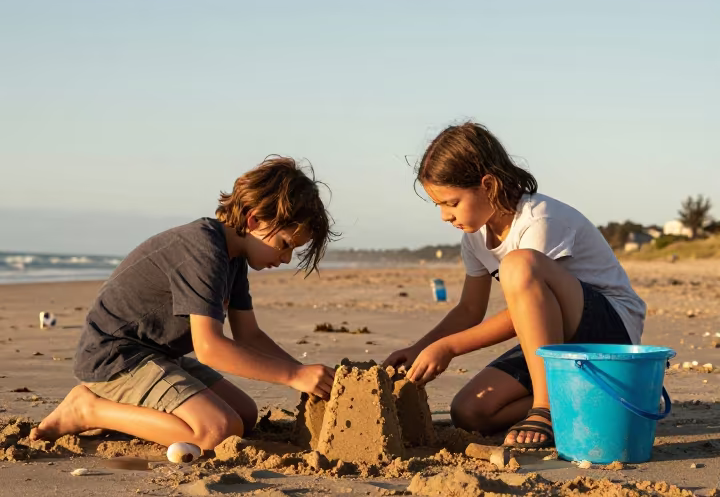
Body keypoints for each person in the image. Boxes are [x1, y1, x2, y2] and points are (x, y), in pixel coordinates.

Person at [32, 157, 336, 451]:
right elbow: (210, 349)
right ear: (253, 219)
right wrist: (293, 376)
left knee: (244, 414)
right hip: (115, 357)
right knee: (216, 431)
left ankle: (124, 413)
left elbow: (249, 336)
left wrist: (302, 371)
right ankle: (87, 410)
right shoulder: (204, 249)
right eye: (284, 244)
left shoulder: (234, 259)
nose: (284, 259)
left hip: (155, 355)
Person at [384, 123, 645, 449]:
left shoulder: (539, 219)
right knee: (470, 412)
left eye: (451, 202)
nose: (444, 216)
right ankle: (596, 398)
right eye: (437, 205)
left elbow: (526, 308)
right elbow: (469, 309)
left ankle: (546, 407)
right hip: (556, 338)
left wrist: (450, 348)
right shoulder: (475, 237)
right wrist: (419, 348)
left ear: (487, 185)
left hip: (609, 328)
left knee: (519, 264)